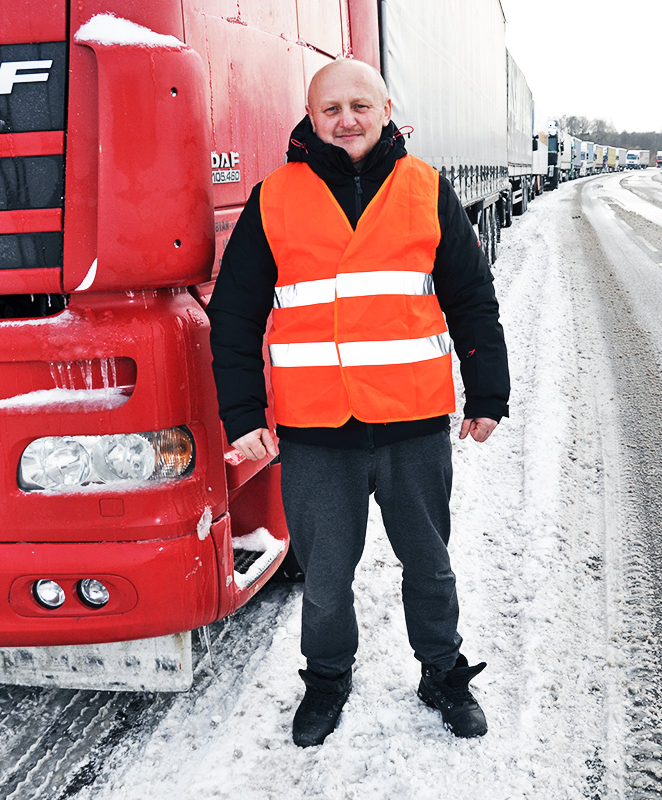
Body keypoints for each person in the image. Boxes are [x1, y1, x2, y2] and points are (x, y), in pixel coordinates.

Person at [207, 58, 509, 747]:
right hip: (318, 432)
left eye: (358, 106)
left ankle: (442, 672)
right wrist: (244, 415)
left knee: (429, 564)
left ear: (386, 110)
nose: (346, 120)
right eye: (330, 109)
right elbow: (234, 314)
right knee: (325, 575)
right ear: (311, 120)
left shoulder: (425, 189)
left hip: (413, 425)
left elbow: (471, 297)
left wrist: (489, 390)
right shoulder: (274, 197)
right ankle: (326, 678)